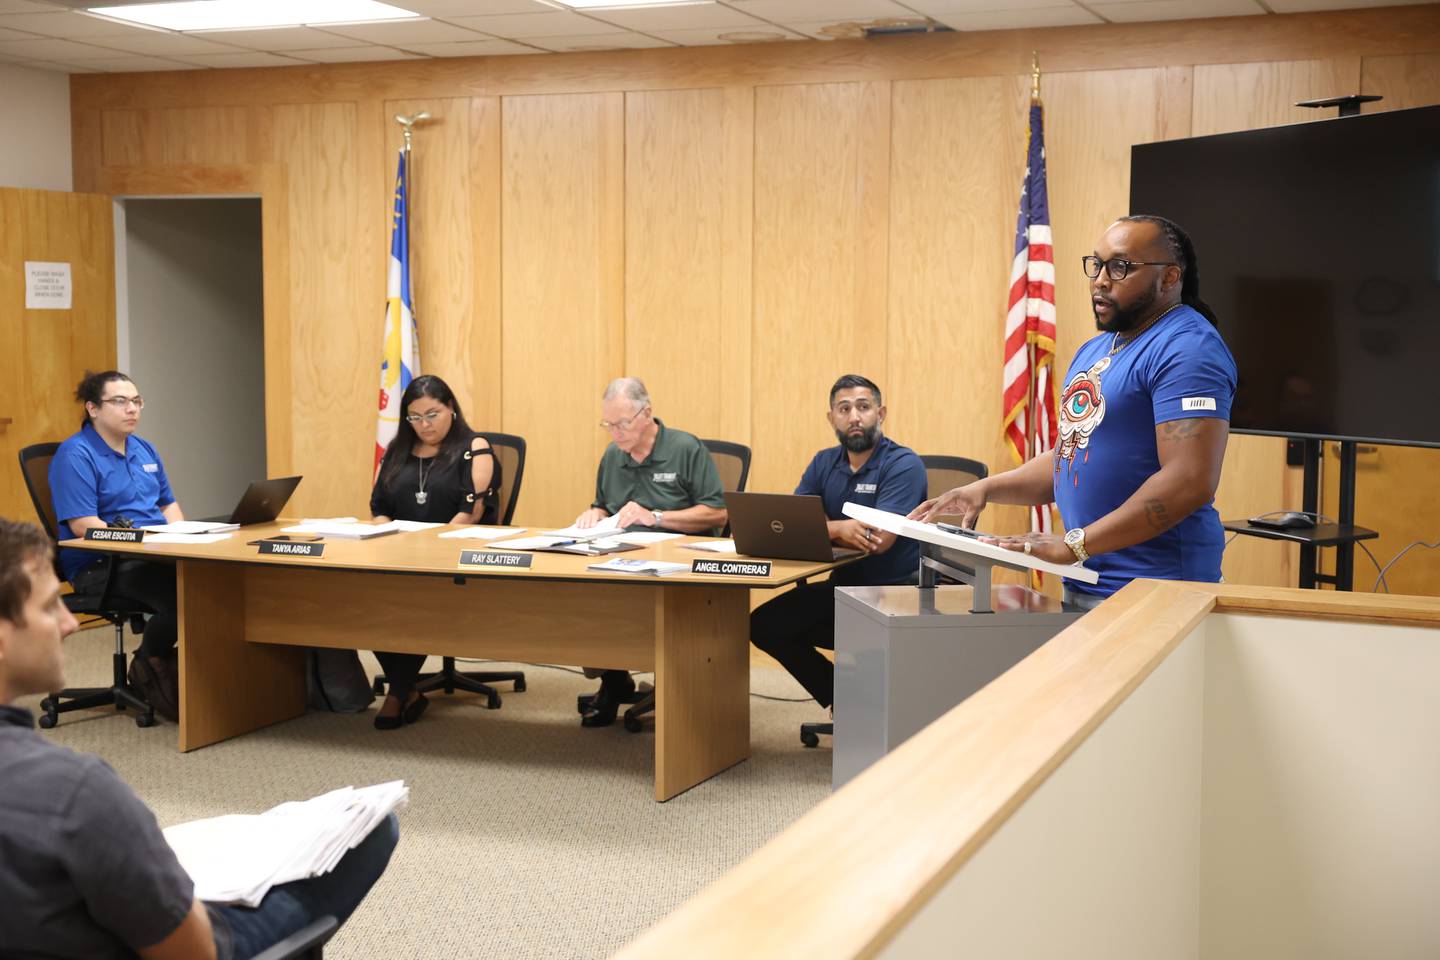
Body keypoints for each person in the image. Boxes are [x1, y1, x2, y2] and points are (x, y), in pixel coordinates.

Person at [0, 518, 399, 960]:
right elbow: (194, 952)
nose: (71, 623)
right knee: (373, 826)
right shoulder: (73, 793)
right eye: (51, 605)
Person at [911, 215, 1236, 609]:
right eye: (1096, 264)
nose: (1100, 279)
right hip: (1088, 581)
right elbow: (1071, 454)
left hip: (1158, 592)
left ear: (1169, 278)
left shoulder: (1187, 347)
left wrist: (1076, 543)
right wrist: (987, 488)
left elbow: (1189, 480)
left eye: (1120, 267)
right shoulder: (1097, 350)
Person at [750, 375, 927, 712]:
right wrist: (839, 529)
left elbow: (879, 540)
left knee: (778, 623)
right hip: (843, 589)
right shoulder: (823, 462)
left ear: (881, 413)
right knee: (764, 625)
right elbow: (791, 523)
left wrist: (827, 527)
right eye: (844, 409)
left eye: (863, 406)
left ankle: (864, 709)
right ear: (831, 418)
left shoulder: (904, 465)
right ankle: (845, 699)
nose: (854, 417)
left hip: (894, 594)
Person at [572, 377, 727, 727]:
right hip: (623, 557)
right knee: (583, 597)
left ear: (647, 414)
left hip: (681, 561)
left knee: (642, 604)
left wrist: (656, 516)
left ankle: (676, 688)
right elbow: (602, 504)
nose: (615, 433)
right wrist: (594, 513)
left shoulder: (686, 449)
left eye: (623, 423)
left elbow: (717, 513)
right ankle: (613, 679)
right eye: (608, 424)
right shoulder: (613, 456)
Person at [49, 370, 183, 719]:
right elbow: (83, 525)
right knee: (184, 597)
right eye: (119, 401)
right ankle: (148, 663)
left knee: (211, 583)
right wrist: (140, 541)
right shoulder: (75, 454)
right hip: (102, 564)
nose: (131, 409)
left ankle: (174, 670)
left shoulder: (144, 448)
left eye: (136, 401)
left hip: (153, 553)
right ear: (93, 408)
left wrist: (184, 538)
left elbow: (167, 504)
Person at [369, 374, 500, 730]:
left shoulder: (476, 447)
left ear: (451, 409)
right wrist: (386, 536)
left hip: (452, 556)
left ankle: (398, 693)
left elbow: (470, 513)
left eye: (432, 414)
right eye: (415, 417)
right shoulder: (398, 450)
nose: (424, 425)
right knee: (364, 596)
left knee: (410, 596)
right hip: (400, 555)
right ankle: (405, 687)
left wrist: (427, 548)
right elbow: (379, 504)